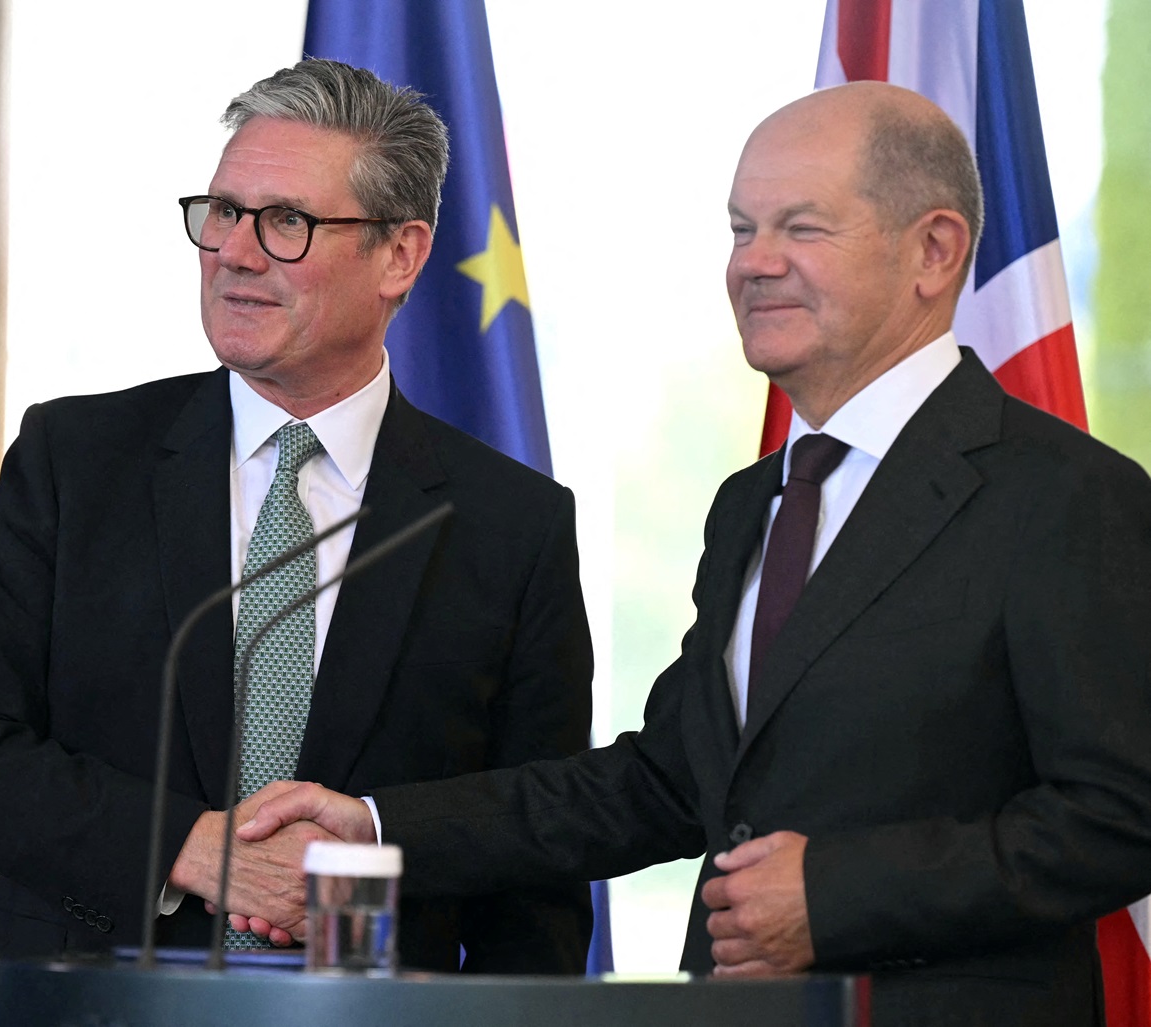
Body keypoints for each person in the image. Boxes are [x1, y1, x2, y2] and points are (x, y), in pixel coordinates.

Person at [236, 81, 1151, 1027]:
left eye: (801, 228)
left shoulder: (1065, 496)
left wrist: (834, 896)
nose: (754, 263)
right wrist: (381, 825)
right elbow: (662, 783)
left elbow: (1124, 813)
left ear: (934, 250)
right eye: (740, 228)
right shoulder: (754, 503)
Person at [0, 58, 594, 1025]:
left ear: (400, 255)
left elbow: (533, 862)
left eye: (286, 222)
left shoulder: (510, 524)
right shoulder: (77, 461)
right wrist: (184, 845)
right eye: (222, 212)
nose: (235, 252)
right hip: (80, 1005)